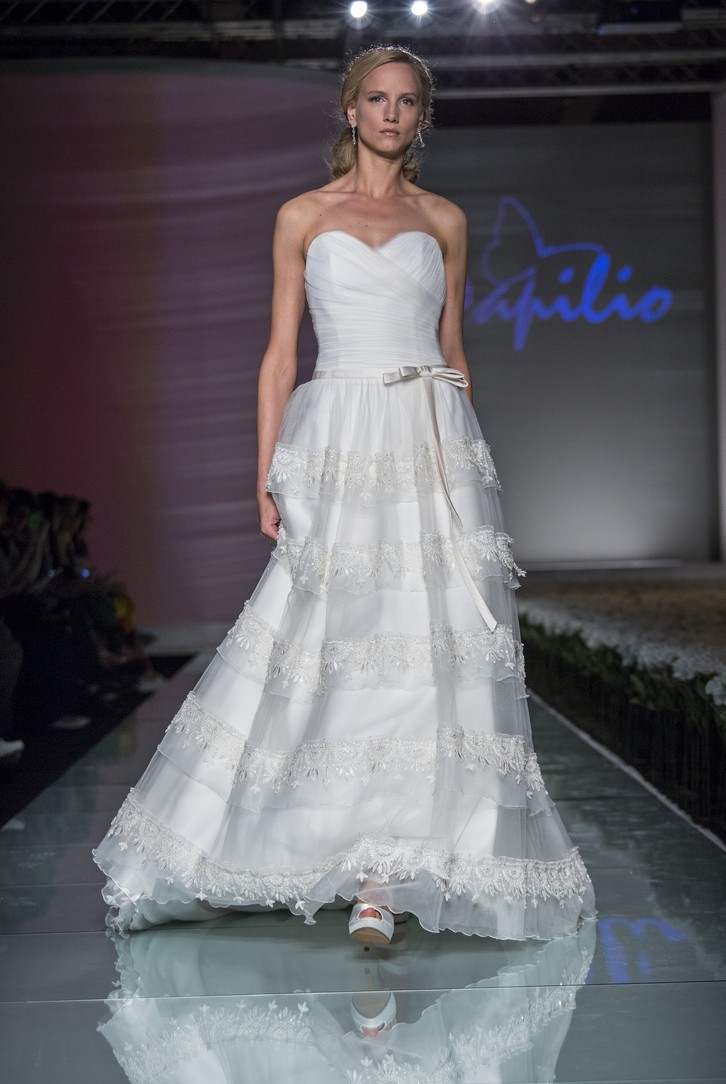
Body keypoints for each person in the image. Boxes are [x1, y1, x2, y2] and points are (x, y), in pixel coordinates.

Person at [94, 45, 595, 942]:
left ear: (421, 116)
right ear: (350, 109)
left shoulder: (445, 219)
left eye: (407, 101)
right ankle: (256, 843)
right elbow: (279, 358)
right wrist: (266, 471)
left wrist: (464, 466)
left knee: (424, 648)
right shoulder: (302, 216)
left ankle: (382, 876)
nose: (391, 113)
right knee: (323, 638)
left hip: (428, 440)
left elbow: (455, 350)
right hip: (337, 443)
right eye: (377, 98)